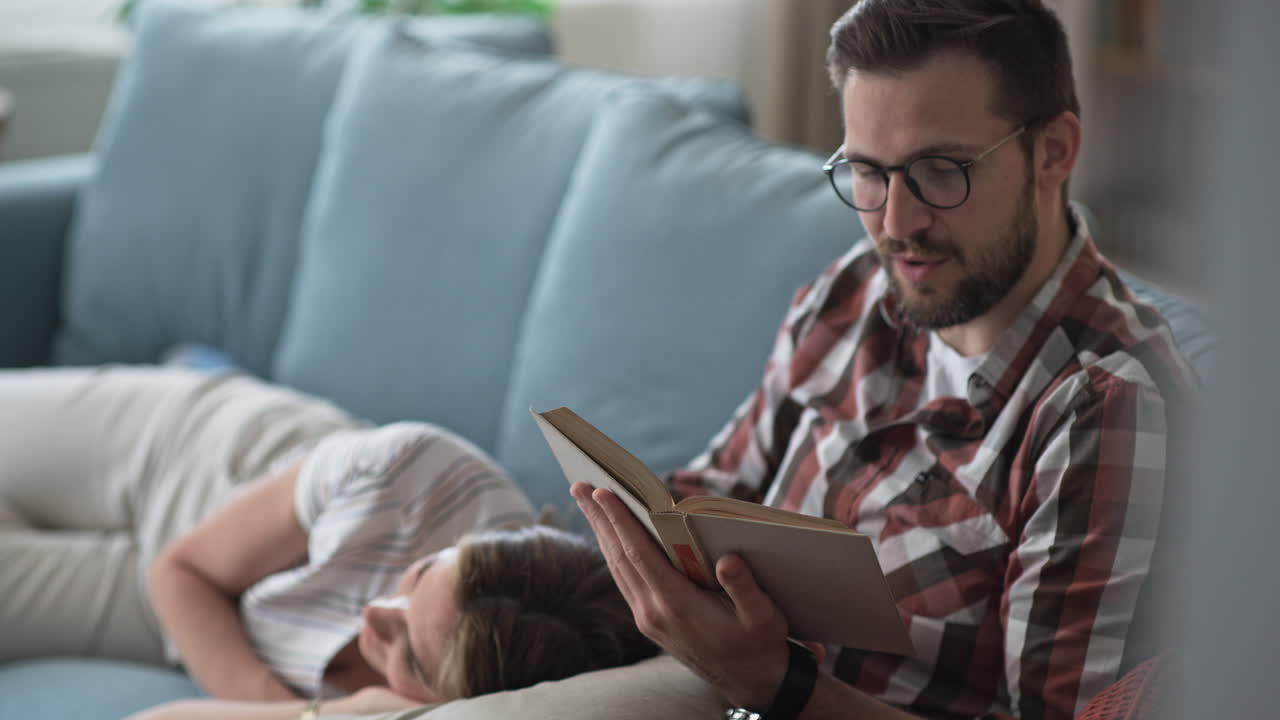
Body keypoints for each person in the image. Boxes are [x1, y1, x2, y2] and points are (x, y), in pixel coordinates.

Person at [574, 2, 1199, 719]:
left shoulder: (1104, 408)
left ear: (1054, 152)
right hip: (686, 682)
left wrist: (778, 687)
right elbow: (712, 494)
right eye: (868, 173)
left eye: (940, 171)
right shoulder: (856, 292)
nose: (897, 226)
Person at [0, 366, 656, 717]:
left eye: (411, 656)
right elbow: (185, 567)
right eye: (421, 575)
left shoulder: (461, 706)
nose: (375, 613)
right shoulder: (407, 468)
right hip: (186, 456)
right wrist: (295, 712)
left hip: (182, 612)